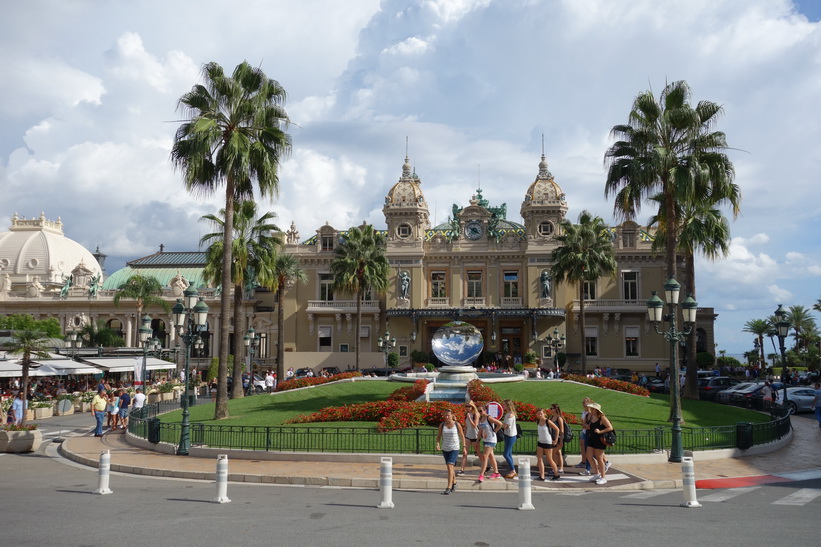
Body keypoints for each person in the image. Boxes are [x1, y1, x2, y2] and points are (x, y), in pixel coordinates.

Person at [435, 408, 467, 494]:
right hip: (445, 448)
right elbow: (438, 436)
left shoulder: (457, 425)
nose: (446, 417)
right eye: (445, 415)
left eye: (448, 415)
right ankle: (455, 482)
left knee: (450, 466)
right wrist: (437, 444)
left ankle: (448, 487)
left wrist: (464, 447)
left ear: (452, 416)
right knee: (450, 468)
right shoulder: (442, 425)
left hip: (454, 448)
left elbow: (462, 436)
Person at [585, 402, 614, 485]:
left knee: (599, 458)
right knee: (588, 456)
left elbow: (610, 428)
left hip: (600, 439)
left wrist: (600, 431)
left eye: (592, 409)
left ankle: (603, 477)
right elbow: (591, 426)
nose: (591, 410)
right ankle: (597, 473)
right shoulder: (591, 417)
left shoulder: (602, 418)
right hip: (592, 438)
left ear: (596, 410)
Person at [476, 404, 503, 482]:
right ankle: (496, 472)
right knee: (491, 456)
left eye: (481, 411)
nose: (480, 412)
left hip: (491, 439)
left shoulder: (489, 418)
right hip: (485, 439)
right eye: (478, 411)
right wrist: (478, 440)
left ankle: (481, 474)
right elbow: (480, 430)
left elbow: (500, 424)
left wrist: (494, 431)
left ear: (485, 410)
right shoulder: (481, 419)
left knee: (485, 456)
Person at [535, 408, 561, 481]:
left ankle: (556, 474)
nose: (539, 415)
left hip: (547, 442)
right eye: (538, 414)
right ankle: (542, 476)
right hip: (540, 441)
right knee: (539, 459)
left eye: (541, 413)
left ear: (544, 414)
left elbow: (557, 429)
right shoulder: (538, 421)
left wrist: (556, 440)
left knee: (549, 459)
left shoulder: (547, 421)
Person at [458, 401, 480, 476]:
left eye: (469, 406)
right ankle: (462, 469)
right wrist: (463, 436)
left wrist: (470, 418)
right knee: (464, 452)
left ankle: (485, 465)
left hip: (475, 435)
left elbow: (475, 425)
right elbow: (466, 426)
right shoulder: (467, 414)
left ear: (472, 407)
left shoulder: (475, 414)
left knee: (478, 452)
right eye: (466, 406)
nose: (468, 408)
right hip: (468, 435)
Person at [501, 399, 518, 478]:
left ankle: (513, 470)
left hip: (511, 436)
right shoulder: (507, 414)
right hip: (507, 435)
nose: (503, 406)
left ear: (508, 405)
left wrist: (498, 423)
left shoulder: (511, 415)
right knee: (509, 454)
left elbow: (505, 426)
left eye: (504, 404)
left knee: (506, 454)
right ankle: (512, 470)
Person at [549, 403, 566, 475]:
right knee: (558, 453)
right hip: (552, 438)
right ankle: (560, 468)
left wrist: (561, 440)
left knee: (553, 453)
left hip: (558, 438)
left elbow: (562, 430)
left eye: (551, 408)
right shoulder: (552, 417)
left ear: (555, 409)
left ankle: (555, 468)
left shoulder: (559, 418)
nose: (550, 410)